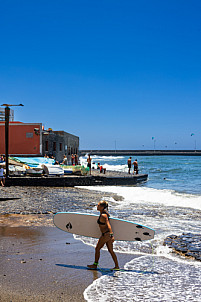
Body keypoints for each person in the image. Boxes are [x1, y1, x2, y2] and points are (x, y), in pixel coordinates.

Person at [87, 200, 119, 270]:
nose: (97, 206)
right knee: (111, 251)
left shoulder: (103, 215)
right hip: (107, 235)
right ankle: (117, 266)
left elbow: (108, 225)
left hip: (106, 235)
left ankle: (95, 265)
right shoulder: (105, 213)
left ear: (102, 207)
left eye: (98, 205)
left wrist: (111, 235)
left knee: (97, 248)